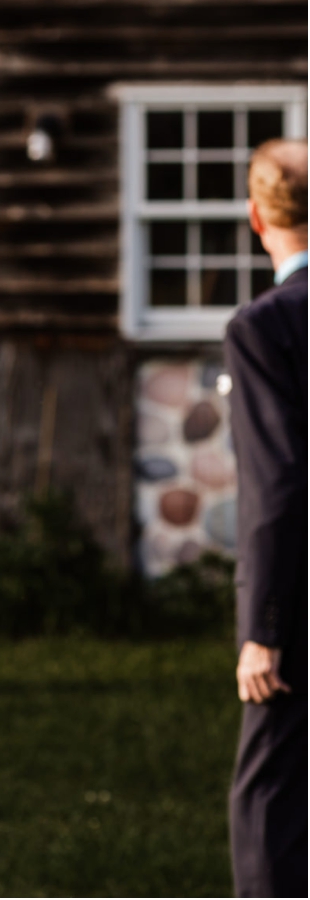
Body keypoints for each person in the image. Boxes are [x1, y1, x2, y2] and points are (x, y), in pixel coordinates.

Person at [226, 138, 308, 898]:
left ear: (257, 217)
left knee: (268, 801)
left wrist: (265, 628)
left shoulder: (265, 325)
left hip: (300, 608)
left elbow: (279, 485)